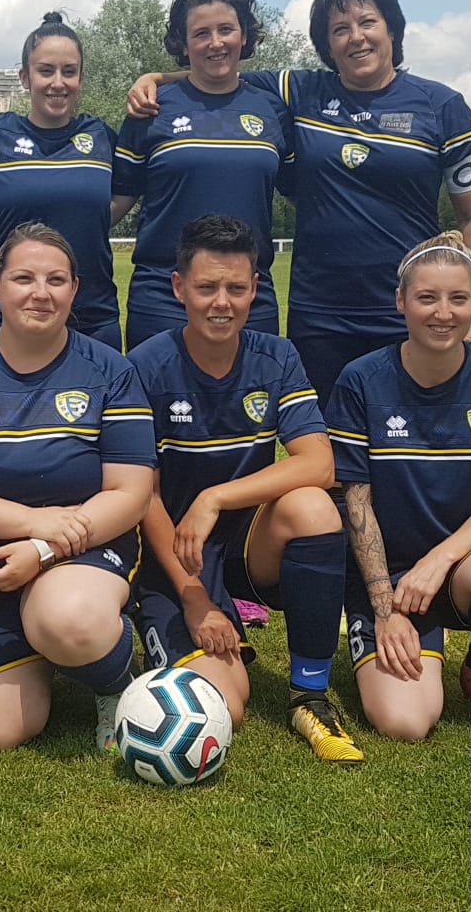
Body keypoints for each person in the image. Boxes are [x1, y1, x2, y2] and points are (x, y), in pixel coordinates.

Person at [127, 0, 471, 406]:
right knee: (328, 448)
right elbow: (215, 70)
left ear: (391, 29)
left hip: (407, 305)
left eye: (367, 23)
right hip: (318, 313)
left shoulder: (442, 107)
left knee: (409, 436)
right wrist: (152, 78)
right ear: (327, 45)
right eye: (340, 30)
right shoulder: (299, 91)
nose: (356, 37)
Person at [0, 223, 156, 752]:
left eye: (55, 280)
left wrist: (44, 548)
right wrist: (33, 522)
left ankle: (116, 683)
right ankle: (47, 643)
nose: (40, 292)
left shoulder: (111, 370)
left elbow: (131, 493)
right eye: (24, 278)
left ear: (74, 290)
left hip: (86, 555)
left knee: (64, 617)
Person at [127, 215, 363, 764]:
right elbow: (143, 495)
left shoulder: (275, 356)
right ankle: (153, 622)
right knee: (223, 705)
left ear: (255, 288)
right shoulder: (144, 367)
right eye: (207, 287)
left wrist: (216, 498)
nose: (222, 302)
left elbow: (320, 463)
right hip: (172, 554)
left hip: (241, 545)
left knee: (311, 507)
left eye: (236, 288)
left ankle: (310, 693)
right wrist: (193, 599)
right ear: (179, 287)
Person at [331, 232, 471, 739]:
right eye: (427, 297)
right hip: (384, 578)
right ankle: (389, 634)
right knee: (405, 722)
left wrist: (437, 561)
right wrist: (385, 608)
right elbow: (355, 502)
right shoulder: (361, 379)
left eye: (458, 298)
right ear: (401, 302)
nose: (442, 312)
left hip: (458, 571)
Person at [112, 0, 292, 350]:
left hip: (249, 298)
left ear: (244, 35)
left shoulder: (272, 107)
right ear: (183, 42)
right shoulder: (151, 107)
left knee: (251, 407)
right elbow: (116, 203)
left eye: (226, 29)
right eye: (201, 33)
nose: (215, 43)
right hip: (164, 297)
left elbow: (304, 195)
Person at [0, 12, 119, 347]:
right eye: (45, 70)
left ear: (81, 77)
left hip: (91, 315)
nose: (58, 82)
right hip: (1, 315)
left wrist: (155, 76)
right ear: (24, 77)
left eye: (69, 71)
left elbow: (126, 193)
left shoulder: (102, 137)